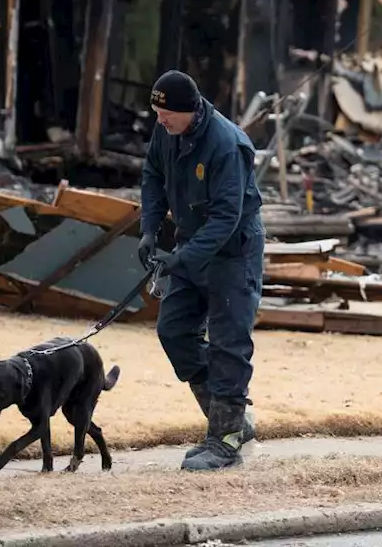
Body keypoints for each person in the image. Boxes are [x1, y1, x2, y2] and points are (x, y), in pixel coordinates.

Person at [137, 69, 266, 470]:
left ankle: (225, 439)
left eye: (166, 113)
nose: (159, 120)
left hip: (232, 253)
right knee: (173, 330)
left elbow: (227, 217)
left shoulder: (227, 145)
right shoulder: (167, 131)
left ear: (189, 111)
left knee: (229, 343)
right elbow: (153, 175)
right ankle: (231, 422)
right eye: (156, 112)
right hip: (191, 244)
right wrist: (149, 229)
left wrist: (184, 258)